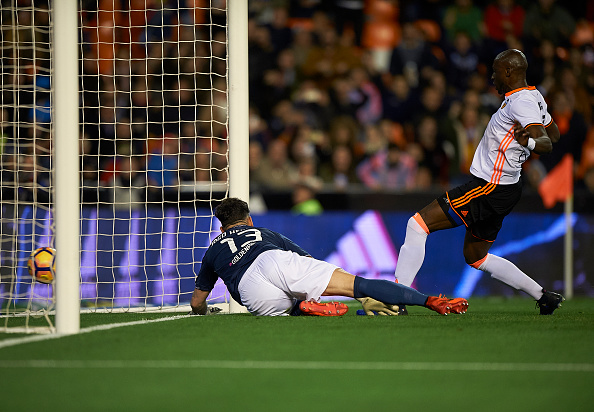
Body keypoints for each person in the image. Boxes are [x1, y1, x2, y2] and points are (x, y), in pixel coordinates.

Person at [391, 49, 564, 315]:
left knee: (417, 225)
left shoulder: (522, 102)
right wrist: (530, 139)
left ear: (508, 72)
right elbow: (555, 133)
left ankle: (395, 300)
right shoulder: (534, 97)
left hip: (489, 186)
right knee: (476, 256)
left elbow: (546, 143)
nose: (492, 78)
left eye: (495, 72)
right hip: (507, 188)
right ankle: (543, 296)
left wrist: (527, 141)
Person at [190, 198, 469, 317]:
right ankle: (431, 301)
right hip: (272, 258)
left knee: (283, 308)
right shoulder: (262, 233)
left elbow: (197, 302)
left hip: (252, 292)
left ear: (221, 227)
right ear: (248, 220)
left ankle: (301, 308)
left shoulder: (213, 250)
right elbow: (302, 255)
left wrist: (205, 312)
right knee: (358, 284)